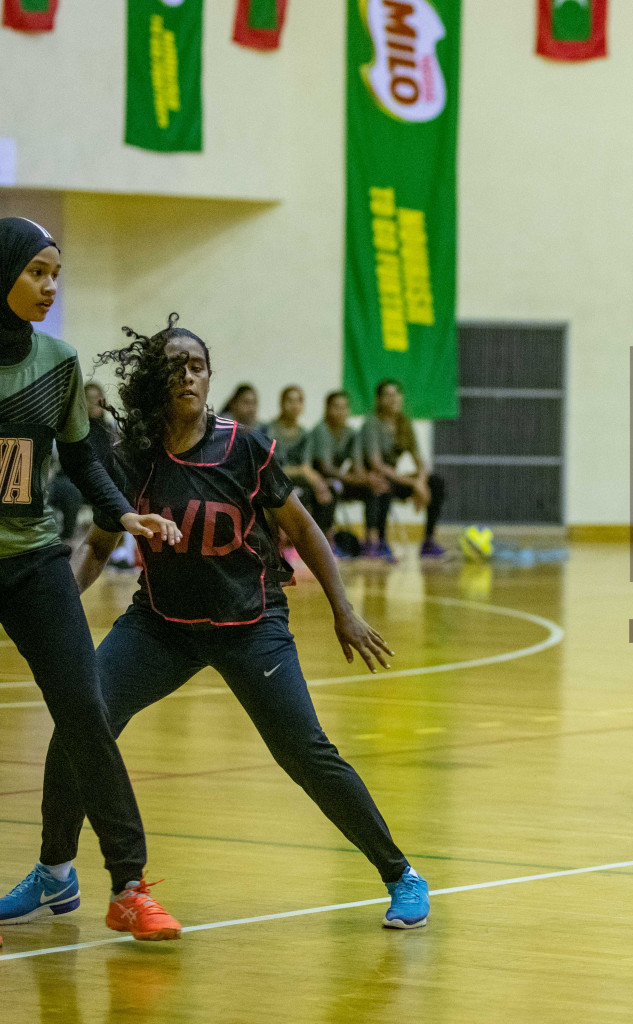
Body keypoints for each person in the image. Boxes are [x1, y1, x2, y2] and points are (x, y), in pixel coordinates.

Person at [2, 314, 432, 930]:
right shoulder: (132, 458)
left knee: (306, 752)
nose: (188, 377)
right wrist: (55, 611)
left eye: (198, 366)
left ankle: (402, 874)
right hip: (160, 625)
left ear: (210, 379)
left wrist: (345, 610)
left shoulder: (246, 447)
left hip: (250, 623)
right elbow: (98, 547)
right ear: (155, 379)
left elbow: (303, 528)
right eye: (175, 366)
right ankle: (54, 874)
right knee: (81, 721)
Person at [0, 217, 184, 943]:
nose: (50, 286)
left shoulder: (60, 361)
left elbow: (82, 460)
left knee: (87, 712)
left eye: (56, 273)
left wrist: (125, 515)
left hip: (34, 562)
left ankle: (130, 887)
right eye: (37, 272)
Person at [358, 379, 445, 561]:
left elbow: (419, 460)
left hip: (396, 478)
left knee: (435, 482)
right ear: (379, 399)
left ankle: (428, 540)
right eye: (388, 395)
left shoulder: (404, 423)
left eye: (396, 394)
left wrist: (420, 482)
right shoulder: (372, 424)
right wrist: (413, 482)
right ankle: (379, 541)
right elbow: (377, 465)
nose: (393, 399)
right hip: (377, 478)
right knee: (382, 484)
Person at [305, 390, 384, 544]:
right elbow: (325, 468)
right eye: (337, 407)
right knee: (332, 488)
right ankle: (325, 540)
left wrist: (367, 479)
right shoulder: (320, 430)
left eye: (345, 407)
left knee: (372, 488)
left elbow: (357, 465)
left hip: (340, 480)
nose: (341, 412)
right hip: (318, 482)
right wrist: (354, 478)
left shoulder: (352, 434)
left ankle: (373, 539)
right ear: (327, 409)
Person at [47, 381, 120, 541]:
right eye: (90, 398)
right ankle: (67, 538)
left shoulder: (112, 430)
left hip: (103, 481)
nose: (95, 402)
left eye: (98, 398)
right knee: (69, 491)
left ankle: (120, 548)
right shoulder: (72, 428)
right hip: (72, 481)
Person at [263, 385, 331, 531]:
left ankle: (323, 539)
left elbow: (306, 466)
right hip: (273, 480)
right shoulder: (269, 430)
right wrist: (304, 472)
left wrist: (319, 482)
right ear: (281, 403)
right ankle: (288, 541)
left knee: (327, 490)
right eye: (290, 401)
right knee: (298, 493)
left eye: (298, 401)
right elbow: (272, 467)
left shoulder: (305, 434)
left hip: (298, 480)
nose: (294, 406)